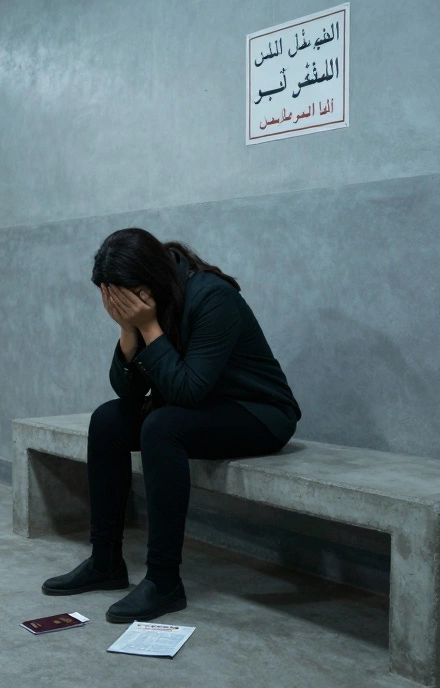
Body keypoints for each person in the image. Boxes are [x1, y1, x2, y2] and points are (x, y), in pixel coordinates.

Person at [42, 227, 302, 623]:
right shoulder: (155, 296)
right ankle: (106, 561)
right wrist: (129, 331)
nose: (120, 304)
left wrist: (148, 327)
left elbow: (188, 392)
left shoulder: (214, 297)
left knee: (162, 427)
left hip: (259, 414)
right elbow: (127, 392)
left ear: (149, 279)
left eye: (125, 297)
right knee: (108, 419)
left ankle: (165, 581)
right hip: (201, 408)